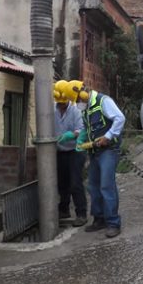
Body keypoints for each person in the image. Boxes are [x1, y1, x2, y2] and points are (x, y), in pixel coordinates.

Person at [62, 80, 125, 239]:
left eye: (77, 100)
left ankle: (113, 223)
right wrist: (80, 139)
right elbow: (85, 127)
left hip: (108, 150)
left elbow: (120, 118)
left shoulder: (104, 101)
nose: (77, 104)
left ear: (83, 94)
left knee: (106, 185)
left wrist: (108, 136)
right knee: (93, 186)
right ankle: (99, 219)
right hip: (94, 150)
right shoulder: (86, 108)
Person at [53, 80, 88, 227]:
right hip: (60, 151)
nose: (61, 105)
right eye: (59, 103)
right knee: (62, 183)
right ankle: (64, 209)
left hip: (76, 150)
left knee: (75, 182)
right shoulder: (51, 111)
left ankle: (81, 213)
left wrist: (71, 135)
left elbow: (81, 129)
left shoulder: (76, 110)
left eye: (63, 103)